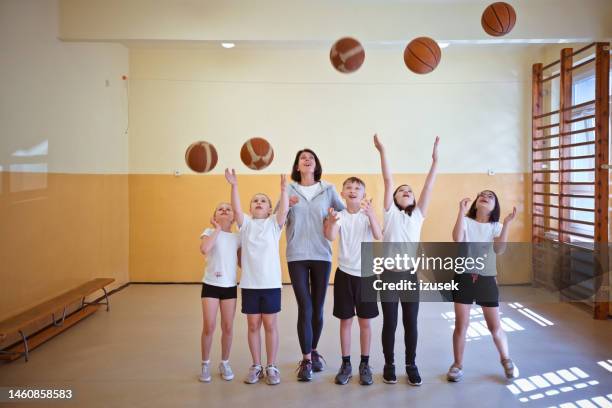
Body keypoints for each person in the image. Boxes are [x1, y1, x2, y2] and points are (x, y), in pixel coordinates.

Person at [374, 134, 439, 385]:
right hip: (389, 276)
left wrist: (435, 161)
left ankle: (411, 364)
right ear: (394, 198)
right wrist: (383, 151)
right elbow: (388, 179)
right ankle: (389, 364)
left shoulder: (418, 216)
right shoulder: (389, 214)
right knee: (389, 322)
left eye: (409, 191)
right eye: (402, 191)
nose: (407, 192)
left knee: (410, 322)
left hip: (410, 277)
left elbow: (429, 187)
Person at [285, 149, 345, 381]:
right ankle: (307, 361)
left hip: (322, 254)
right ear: (298, 166)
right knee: (305, 307)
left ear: (316, 164)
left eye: (311, 158)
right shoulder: (289, 189)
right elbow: (279, 220)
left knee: (318, 307)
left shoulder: (328, 189)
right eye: (303, 158)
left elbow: (344, 213)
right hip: (296, 255)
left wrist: (343, 218)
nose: (307, 160)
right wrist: (286, 206)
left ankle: (313, 350)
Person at [224, 168, 289, 385]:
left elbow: (284, 211)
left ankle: (271, 366)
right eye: (255, 201)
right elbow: (236, 208)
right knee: (253, 325)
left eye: (263, 201)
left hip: (270, 284)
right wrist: (234, 185)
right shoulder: (246, 225)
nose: (259, 203)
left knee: (270, 325)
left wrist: (283, 190)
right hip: (250, 285)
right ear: (250, 208)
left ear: (270, 208)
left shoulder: (273, 225)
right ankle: (256, 365)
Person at [447, 190, 518, 382]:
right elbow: (457, 238)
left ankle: (506, 360)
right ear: (476, 202)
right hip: (463, 278)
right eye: (482, 195)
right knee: (461, 325)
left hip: (486, 279)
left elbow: (499, 249)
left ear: (495, 206)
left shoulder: (496, 226)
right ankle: (457, 364)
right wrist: (460, 212)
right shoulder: (467, 221)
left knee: (494, 327)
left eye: (491, 196)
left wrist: (507, 225)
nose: (485, 197)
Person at [324, 177, 382, 385]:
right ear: (342, 193)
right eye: (348, 187)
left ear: (363, 195)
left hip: (366, 275)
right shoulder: (339, 216)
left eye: (357, 188)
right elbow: (330, 237)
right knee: (345, 321)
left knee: (365, 323)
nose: (352, 190)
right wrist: (330, 221)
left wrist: (372, 214)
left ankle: (365, 364)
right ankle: (346, 363)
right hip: (344, 275)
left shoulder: (367, 216)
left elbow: (378, 235)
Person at [198, 202, 240, 382]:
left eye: (228, 208)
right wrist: (216, 229)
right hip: (211, 285)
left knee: (228, 327)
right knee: (209, 326)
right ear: (214, 216)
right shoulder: (209, 232)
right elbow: (204, 249)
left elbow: (242, 263)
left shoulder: (237, 238)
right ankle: (205, 364)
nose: (224, 210)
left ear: (233, 217)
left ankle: (224, 362)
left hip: (229, 286)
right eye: (220, 208)